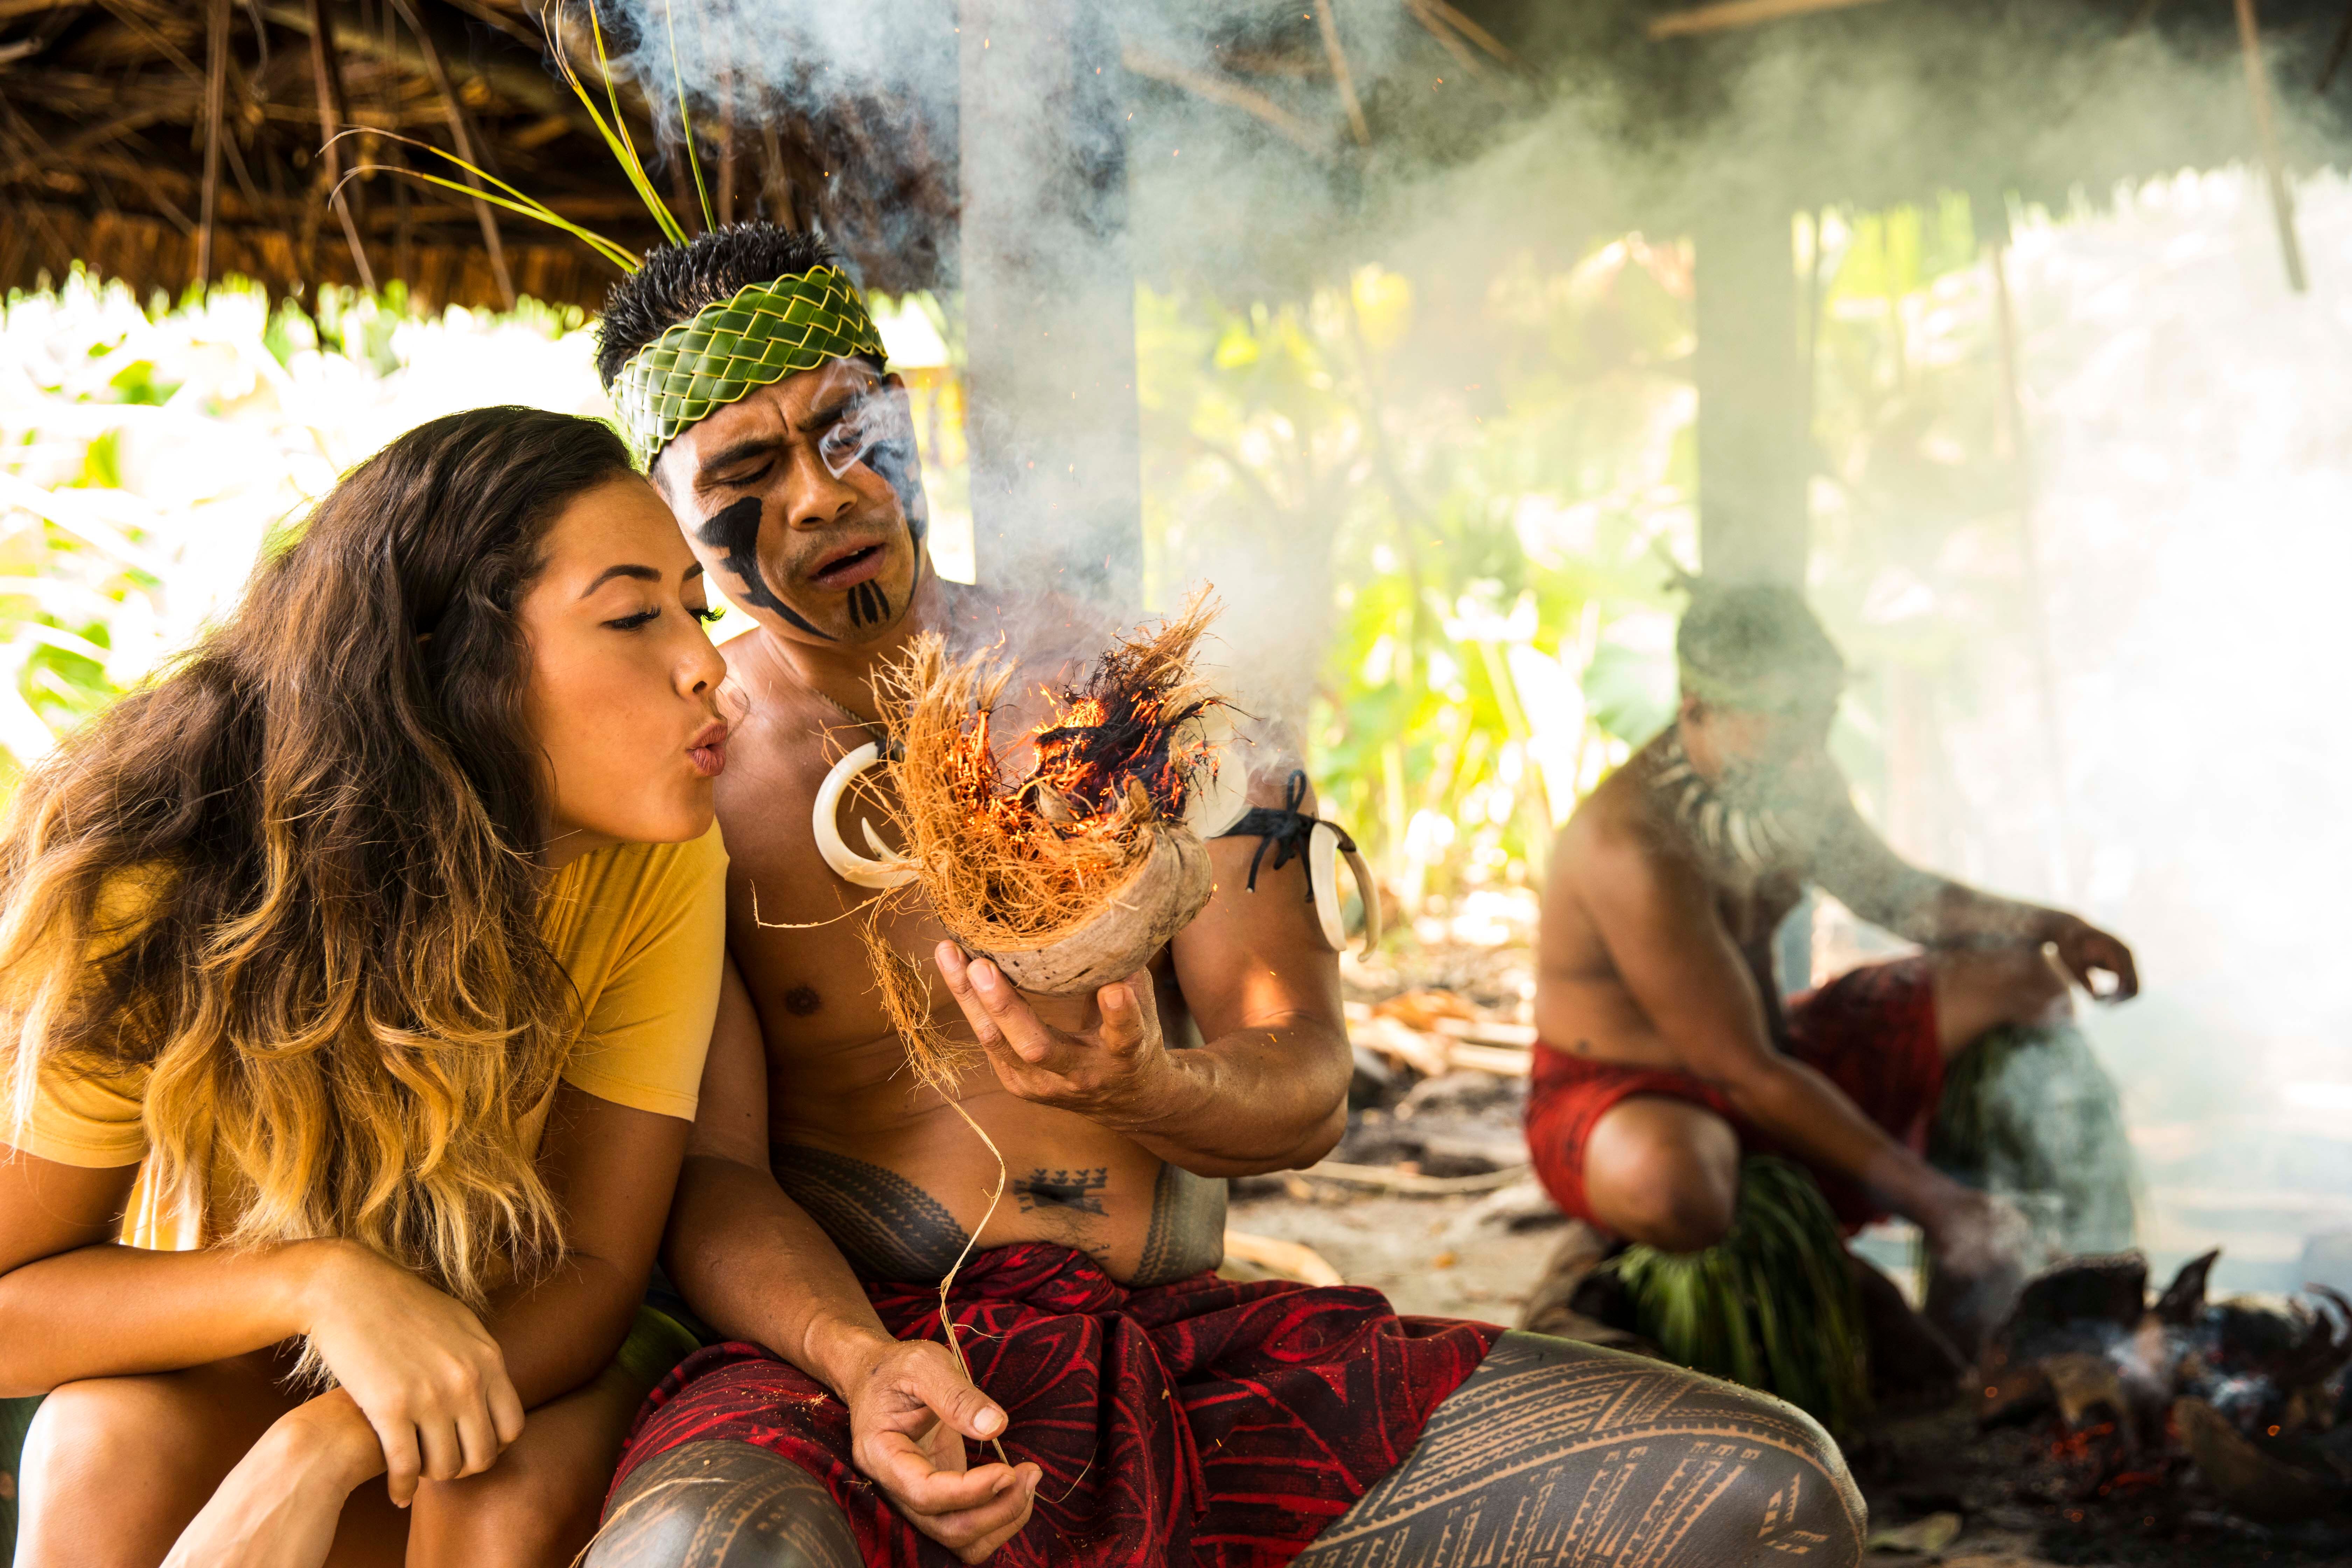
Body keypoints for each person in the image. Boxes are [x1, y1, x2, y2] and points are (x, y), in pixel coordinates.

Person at [581, 224, 1868, 1568]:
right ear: (671, 519)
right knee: (695, 1553)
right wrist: (857, 1364)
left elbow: (1307, 1081)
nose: (821, 495)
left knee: (1773, 1499)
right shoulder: (690, 778)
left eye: (846, 430)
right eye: (746, 470)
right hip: (863, 1353)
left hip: (1183, 1354)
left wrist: (1142, 1092)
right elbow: (712, 1177)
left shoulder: (1148, 701)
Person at [0, 407, 734, 1567]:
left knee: (490, 1506)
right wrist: (315, 1285)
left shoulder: (664, 857)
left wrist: (330, 1441)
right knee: (102, 1452)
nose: (706, 662)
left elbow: (595, 1273)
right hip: (251, 1357)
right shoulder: (159, 880)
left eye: (695, 608)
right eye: (636, 615)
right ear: (456, 659)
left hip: (537, 1362)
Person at [1526, 579, 2140, 1352]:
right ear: (1695, 706)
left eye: (1817, 721)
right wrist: (1941, 1204)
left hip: (1774, 1050)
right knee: (1673, 1184)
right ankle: (1888, 1239)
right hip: (1638, 1093)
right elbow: (1741, 1069)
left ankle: (1978, 1307)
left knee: (2023, 977)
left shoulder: (1793, 772)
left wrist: (2055, 925)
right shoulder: (1632, 844)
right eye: (1781, 726)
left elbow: (1899, 896)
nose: (1806, 751)